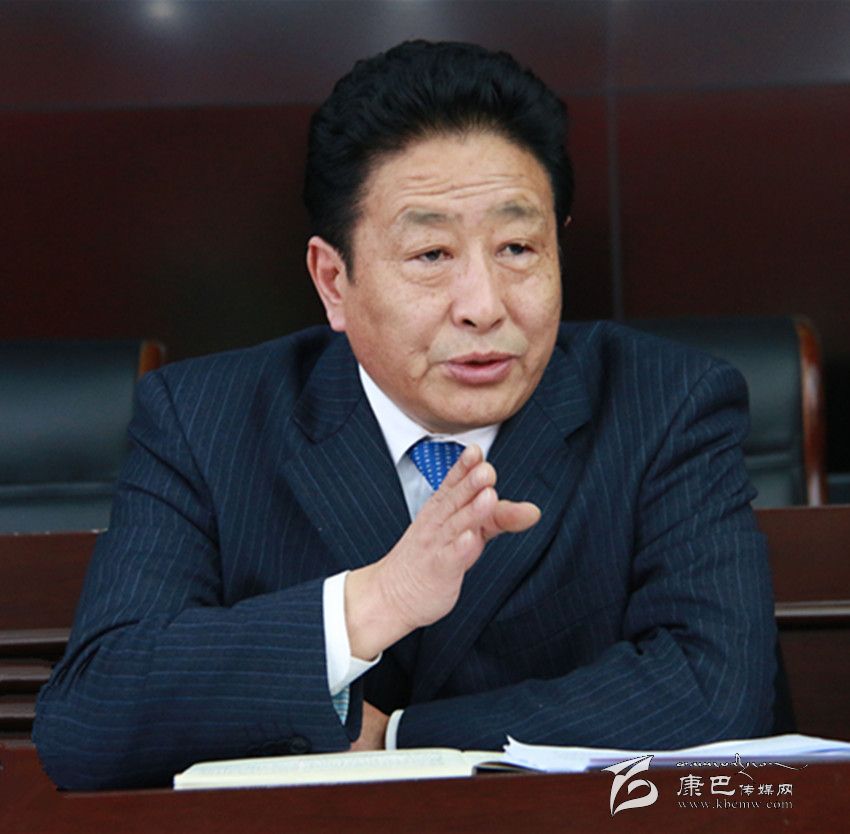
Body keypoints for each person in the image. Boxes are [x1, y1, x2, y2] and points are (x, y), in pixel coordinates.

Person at [34, 40, 775, 790]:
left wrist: (404, 738)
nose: (483, 306)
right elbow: (92, 717)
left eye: (518, 247)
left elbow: (717, 690)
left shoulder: (667, 404)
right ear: (334, 280)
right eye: (431, 255)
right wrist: (375, 601)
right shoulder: (204, 421)